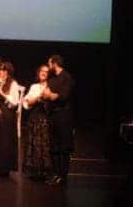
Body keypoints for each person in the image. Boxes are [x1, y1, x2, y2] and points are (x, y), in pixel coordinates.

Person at [44, 54, 76, 186]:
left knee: (64, 147)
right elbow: (47, 94)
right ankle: (56, 174)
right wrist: (48, 95)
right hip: (53, 115)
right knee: (54, 146)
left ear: (54, 63)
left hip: (64, 116)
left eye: (49, 63)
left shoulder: (66, 77)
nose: (48, 66)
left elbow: (63, 96)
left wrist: (51, 95)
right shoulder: (52, 79)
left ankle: (63, 175)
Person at [22, 64, 53, 180]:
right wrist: (37, 98)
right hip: (35, 117)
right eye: (41, 71)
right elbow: (27, 102)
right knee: (34, 143)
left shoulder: (51, 86)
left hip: (46, 117)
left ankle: (45, 170)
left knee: (44, 144)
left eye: (46, 72)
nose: (43, 73)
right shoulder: (34, 87)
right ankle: (34, 170)